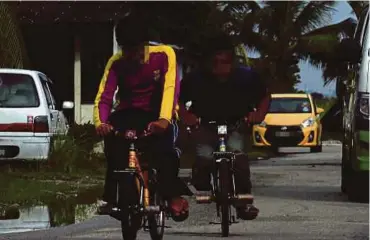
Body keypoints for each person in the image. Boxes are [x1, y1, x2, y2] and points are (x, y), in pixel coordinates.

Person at [93, 14, 189, 221]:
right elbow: (105, 95)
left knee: (166, 152)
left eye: (135, 49)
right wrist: (101, 123)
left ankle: (172, 195)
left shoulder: (164, 54)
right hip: (128, 113)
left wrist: (164, 119)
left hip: (158, 113)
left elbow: (170, 88)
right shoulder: (116, 62)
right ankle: (112, 197)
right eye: (126, 49)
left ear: (144, 44)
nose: (130, 55)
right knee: (113, 146)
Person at [179, 33, 270, 220]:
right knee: (204, 157)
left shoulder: (247, 77)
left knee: (238, 157)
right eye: (216, 61)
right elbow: (178, 101)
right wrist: (187, 116)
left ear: (232, 60)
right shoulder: (194, 79)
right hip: (205, 125)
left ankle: (244, 202)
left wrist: (258, 114)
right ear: (208, 61)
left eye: (225, 61)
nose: (220, 66)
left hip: (235, 125)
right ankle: (203, 187)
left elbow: (264, 96)